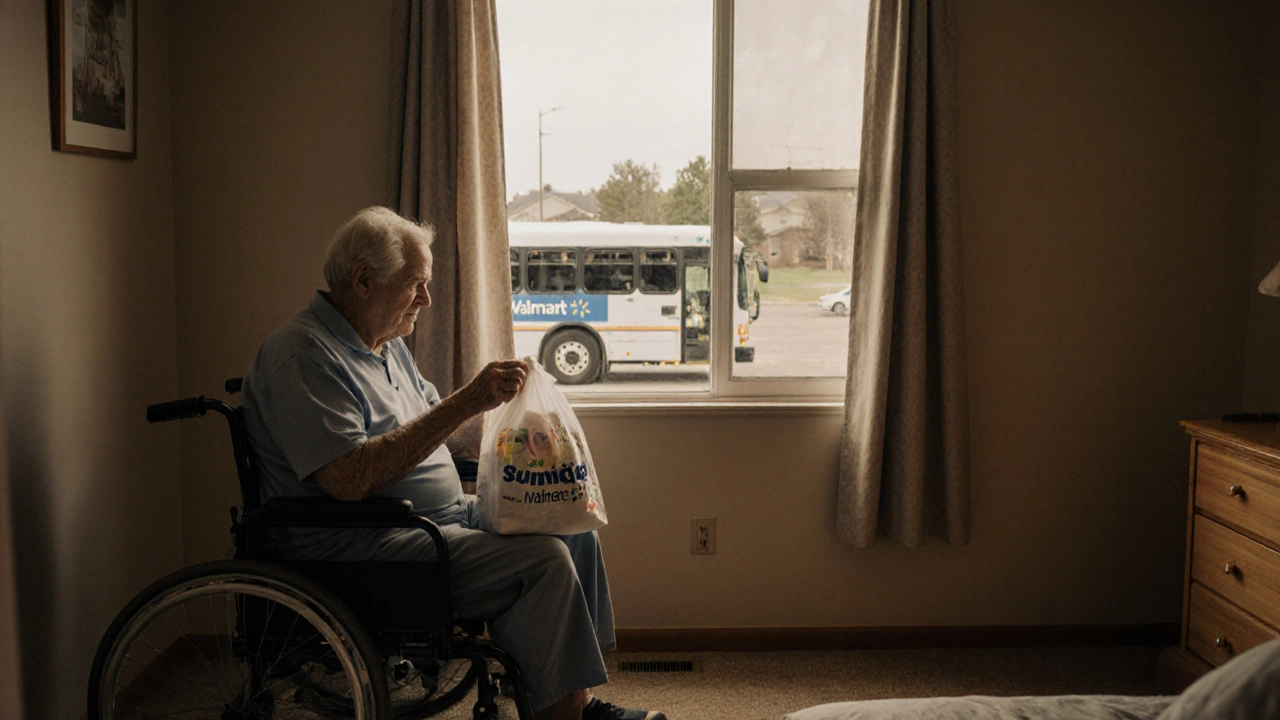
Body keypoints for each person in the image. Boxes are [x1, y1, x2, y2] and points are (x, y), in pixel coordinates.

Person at [240, 206, 665, 720]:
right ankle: (568, 712)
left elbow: (444, 428)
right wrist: (468, 399)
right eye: (416, 283)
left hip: (432, 522)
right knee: (543, 560)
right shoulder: (304, 356)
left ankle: (570, 695)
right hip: (362, 543)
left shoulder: (385, 347)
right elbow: (349, 479)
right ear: (363, 280)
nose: (427, 298)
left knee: (572, 526)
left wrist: (521, 422)